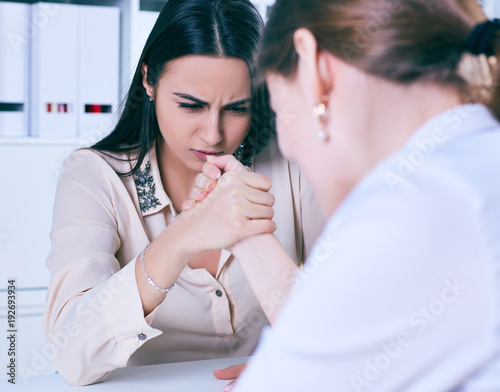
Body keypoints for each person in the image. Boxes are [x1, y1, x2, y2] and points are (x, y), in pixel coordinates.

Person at [208, 0, 500, 390]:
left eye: (279, 112)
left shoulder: (409, 210)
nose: (289, 146)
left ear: (315, 68)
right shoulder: (472, 163)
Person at [43, 0, 324, 386]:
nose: (213, 134)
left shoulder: (292, 164)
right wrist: (182, 236)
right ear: (149, 80)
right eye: (191, 106)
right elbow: (73, 355)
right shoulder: (94, 177)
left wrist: (288, 360)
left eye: (237, 109)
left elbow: (344, 327)